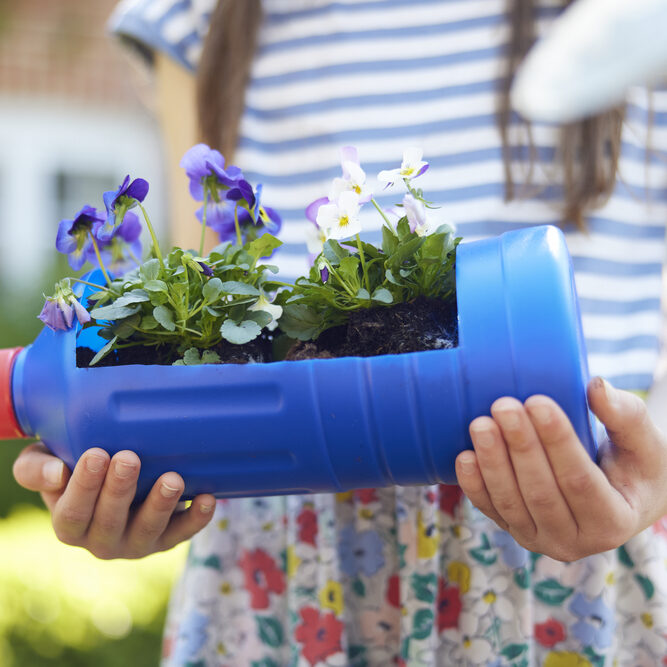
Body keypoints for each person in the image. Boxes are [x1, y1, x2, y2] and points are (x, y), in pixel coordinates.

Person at [12, 0, 667, 664]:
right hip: (282, 558)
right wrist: (143, 485)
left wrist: (652, 472)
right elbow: (198, 323)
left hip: (571, 535)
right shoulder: (198, 14)